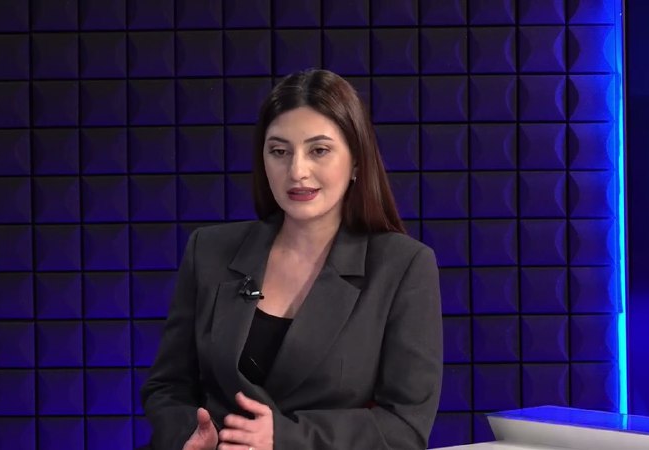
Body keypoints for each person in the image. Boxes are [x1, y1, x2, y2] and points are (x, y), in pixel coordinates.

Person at [141, 69, 443, 450]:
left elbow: (404, 426)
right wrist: (189, 435)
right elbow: (168, 386)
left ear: (356, 161)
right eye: (279, 152)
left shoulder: (403, 266)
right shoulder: (209, 250)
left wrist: (285, 438)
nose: (297, 171)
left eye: (319, 150)